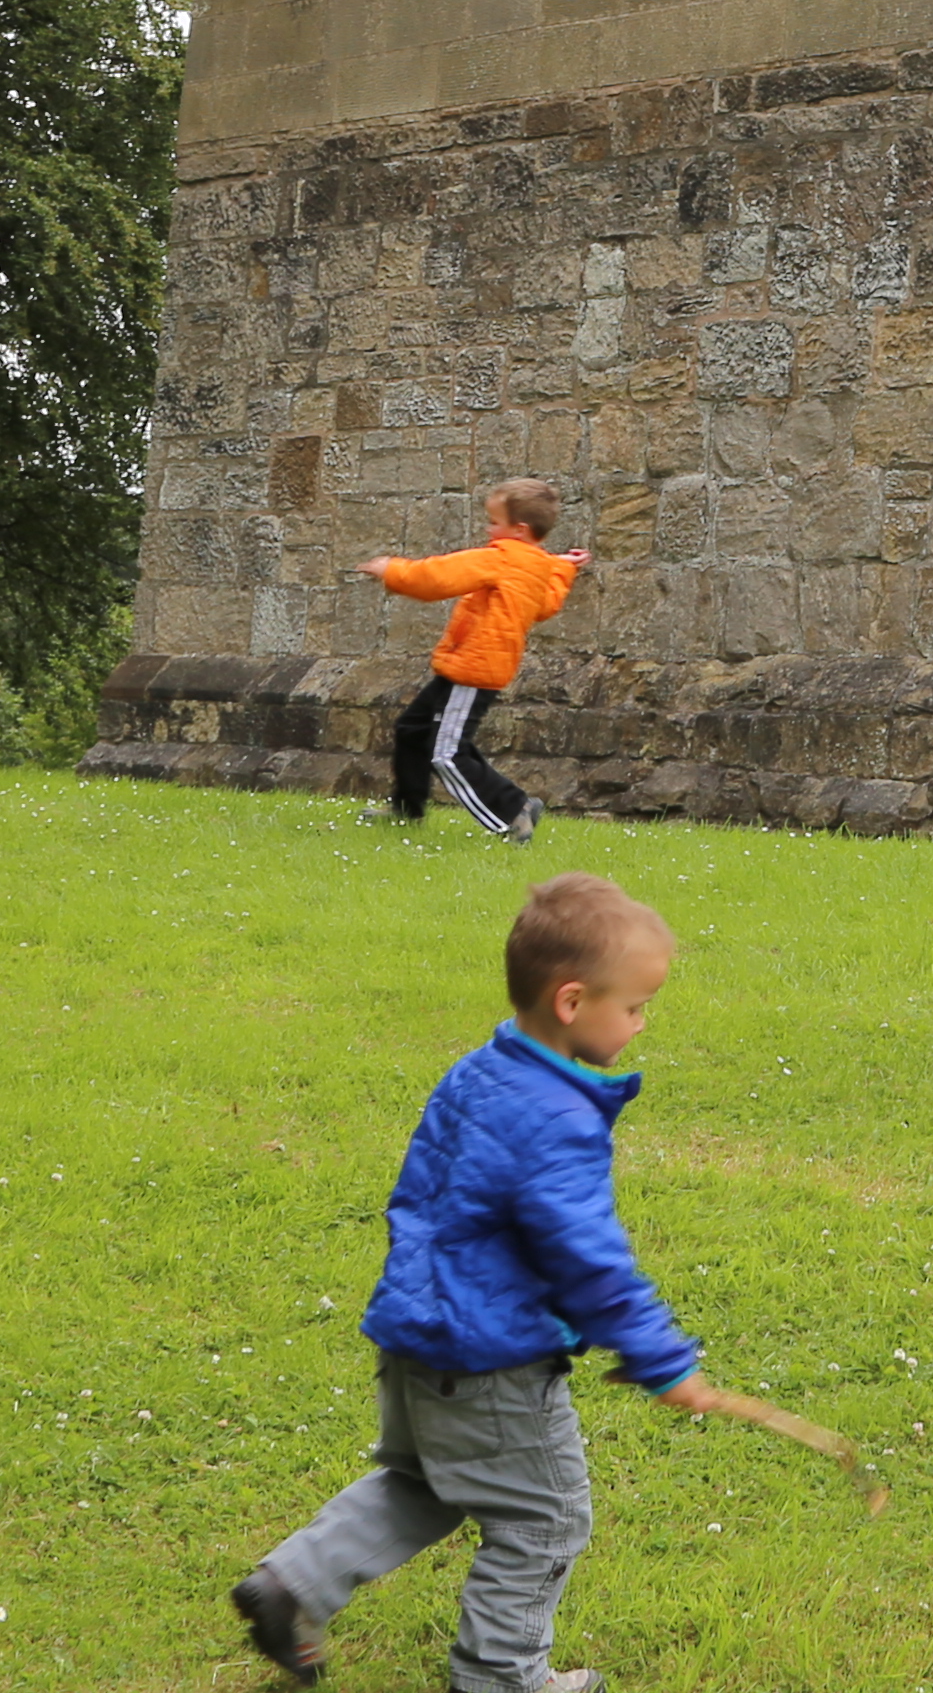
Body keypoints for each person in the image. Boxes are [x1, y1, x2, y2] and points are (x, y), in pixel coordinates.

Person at [233, 873, 769, 1689]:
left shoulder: (479, 1072)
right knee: (545, 1520)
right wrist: (662, 1359)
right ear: (571, 1002)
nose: (641, 1022)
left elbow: (420, 1195)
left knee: (424, 1481)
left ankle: (290, 1586)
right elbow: (588, 1257)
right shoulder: (556, 1120)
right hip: (494, 1364)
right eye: (633, 1007)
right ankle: (502, 1676)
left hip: (417, 1336)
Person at [364, 481, 587, 839]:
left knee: (447, 754)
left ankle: (513, 811)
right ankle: (407, 808)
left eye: (494, 522)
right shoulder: (533, 566)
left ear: (519, 530)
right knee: (412, 730)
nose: (488, 529)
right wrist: (560, 568)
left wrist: (391, 570)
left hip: (473, 669)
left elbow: (438, 577)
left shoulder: (501, 557)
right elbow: (545, 606)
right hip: (468, 666)